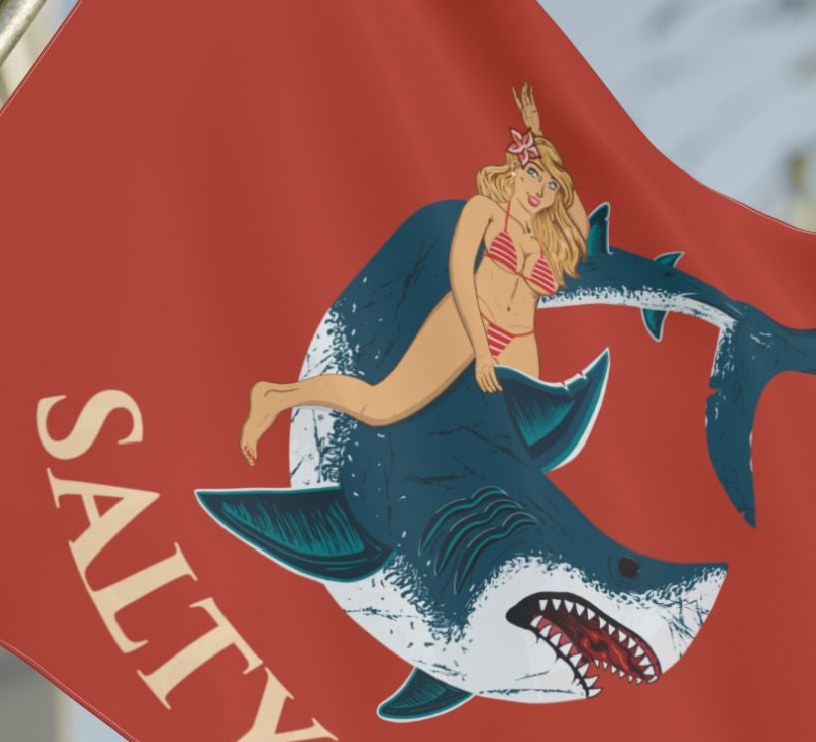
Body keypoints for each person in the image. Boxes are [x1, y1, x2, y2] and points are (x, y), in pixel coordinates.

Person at [240, 84, 590, 465]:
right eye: (535, 173)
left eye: (551, 184)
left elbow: (581, 221)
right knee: (381, 406)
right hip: (466, 319)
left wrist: (539, 137)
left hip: (521, 339)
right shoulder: (485, 210)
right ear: (517, 171)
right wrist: (482, 350)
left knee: (517, 447)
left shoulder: (549, 238)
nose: (540, 188)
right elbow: (459, 272)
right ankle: (276, 397)